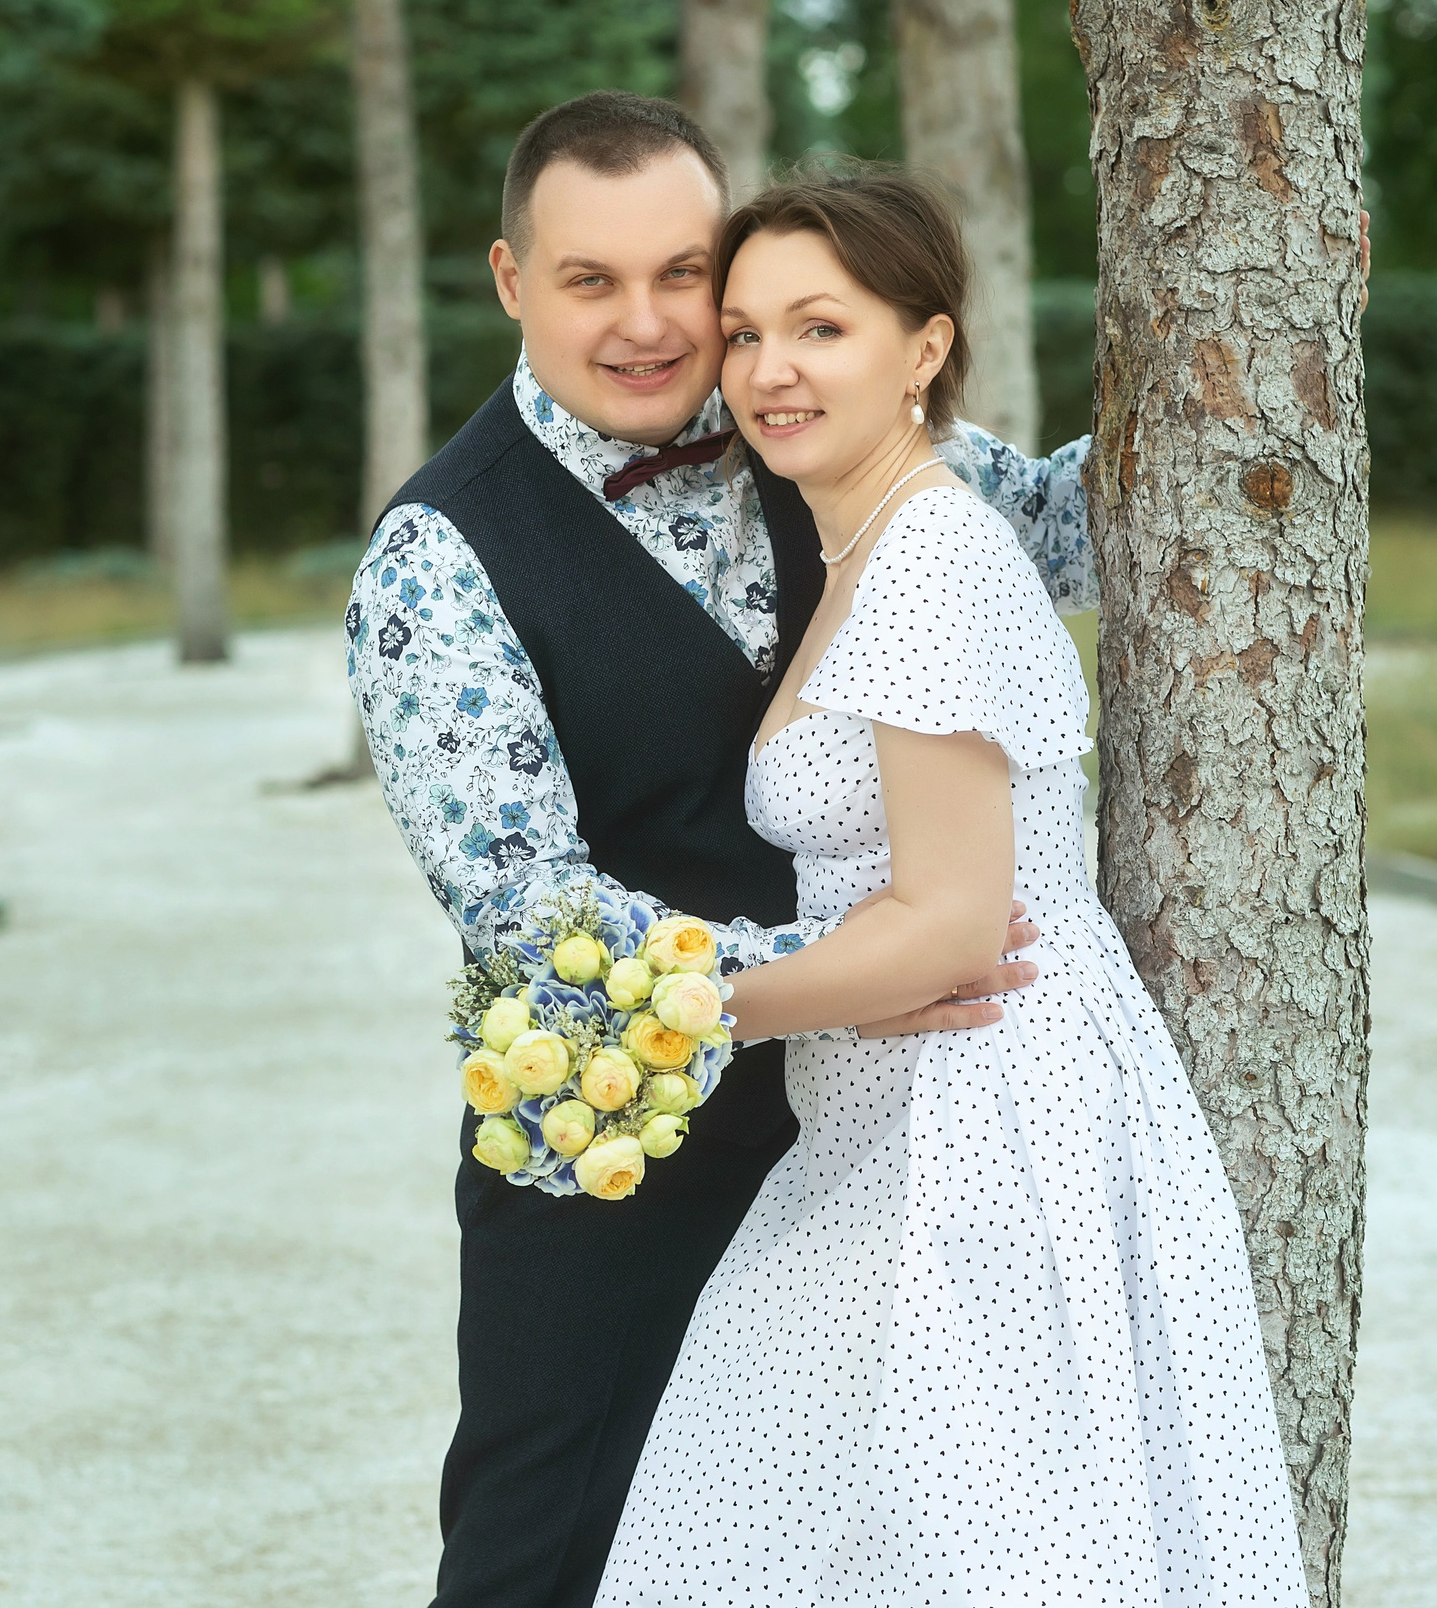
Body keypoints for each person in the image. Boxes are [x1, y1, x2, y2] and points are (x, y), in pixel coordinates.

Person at [346, 91, 1098, 1608]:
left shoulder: (815, 413)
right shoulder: (436, 558)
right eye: (590, 281)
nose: (646, 325)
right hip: (625, 1151)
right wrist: (866, 968)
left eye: (681, 274)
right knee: (544, 1555)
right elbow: (531, 916)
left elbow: (1078, 527)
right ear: (510, 280)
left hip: (886, 1142)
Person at [590, 170, 1309, 1604]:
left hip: (983, 1123)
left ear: (924, 347)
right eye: (744, 334)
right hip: (889, 1108)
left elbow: (954, 923)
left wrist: (677, 1008)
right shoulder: (863, 544)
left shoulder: (930, 556)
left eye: (820, 328)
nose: (769, 371)